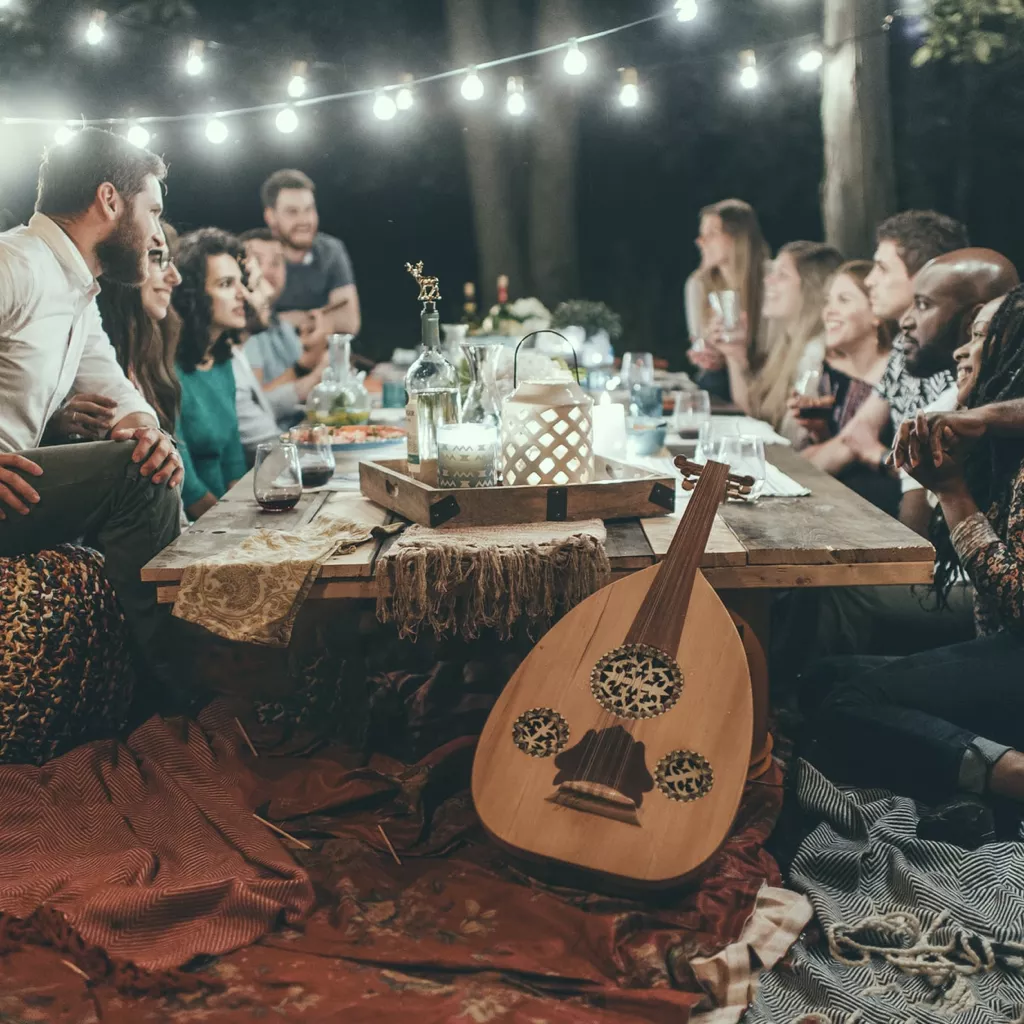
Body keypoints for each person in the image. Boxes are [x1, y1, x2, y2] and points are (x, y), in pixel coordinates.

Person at [803, 283, 1024, 811]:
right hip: (1001, 647)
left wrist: (951, 493)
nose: (961, 352)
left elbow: (1019, 604)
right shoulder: (991, 431)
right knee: (821, 680)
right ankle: (968, 767)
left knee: (847, 706)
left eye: (980, 337)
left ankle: (1009, 775)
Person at [0, 127, 183, 692]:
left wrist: (148, 431)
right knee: (138, 478)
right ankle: (177, 692)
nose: (155, 235)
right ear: (109, 200)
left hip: (18, 492)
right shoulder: (17, 264)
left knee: (147, 456)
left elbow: (114, 388)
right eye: (152, 211)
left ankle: (179, 672)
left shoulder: (77, 292)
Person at [816, 211, 970, 492]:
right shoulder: (903, 345)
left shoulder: (959, 356)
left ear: (927, 276)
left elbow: (941, 480)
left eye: (882, 269)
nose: (870, 280)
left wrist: (878, 456)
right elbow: (853, 437)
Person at [791, 261, 899, 513]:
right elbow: (841, 449)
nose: (828, 311)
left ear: (876, 314)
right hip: (840, 501)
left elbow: (846, 451)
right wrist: (820, 430)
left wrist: (780, 467)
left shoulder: (896, 371)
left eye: (844, 300)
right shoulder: (831, 371)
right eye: (828, 301)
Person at [710, 241, 843, 432]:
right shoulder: (787, 343)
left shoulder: (815, 353)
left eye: (782, 275)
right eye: (772, 272)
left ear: (811, 288)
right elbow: (753, 417)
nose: (768, 280)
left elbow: (790, 441)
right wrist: (734, 354)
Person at [171, 228, 248, 520]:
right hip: (192, 526)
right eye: (227, 284)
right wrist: (232, 526)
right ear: (194, 294)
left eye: (240, 281)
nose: (242, 294)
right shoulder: (168, 369)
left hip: (225, 515)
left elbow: (233, 460)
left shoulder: (221, 360)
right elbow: (187, 488)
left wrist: (248, 517)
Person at [94, 223, 183, 434]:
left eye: (170, 261)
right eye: (156, 259)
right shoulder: (90, 361)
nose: (175, 277)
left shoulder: (152, 353)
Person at [240, 227, 328, 430]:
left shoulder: (282, 326)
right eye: (258, 261)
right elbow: (255, 404)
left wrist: (315, 355)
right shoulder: (245, 330)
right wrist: (310, 370)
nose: (269, 271)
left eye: (276, 262)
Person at [684, 199, 770, 402]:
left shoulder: (770, 280)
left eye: (712, 234)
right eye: (701, 234)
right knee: (712, 382)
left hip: (764, 379)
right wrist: (707, 352)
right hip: (721, 380)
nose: (701, 241)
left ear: (738, 238)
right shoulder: (698, 284)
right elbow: (698, 342)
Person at [261, 169, 360, 337]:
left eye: (309, 209)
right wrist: (321, 318)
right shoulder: (256, 253)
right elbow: (247, 324)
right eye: (292, 212)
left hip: (322, 356)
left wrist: (285, 320)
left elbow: (350, 321)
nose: (304, 220)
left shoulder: (331, 250)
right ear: (271, 216)